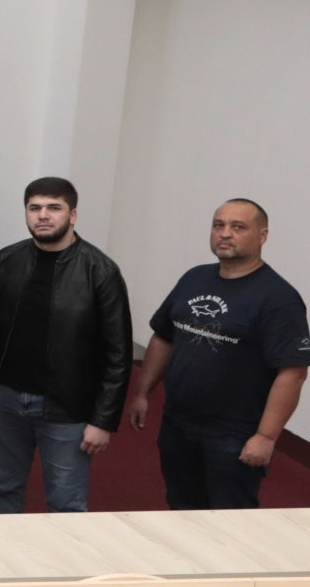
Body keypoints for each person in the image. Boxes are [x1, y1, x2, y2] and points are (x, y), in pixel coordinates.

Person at [0, 178, 130, 513]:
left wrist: (103, 420)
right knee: (2, 488)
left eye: (54, 208)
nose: (43, 215)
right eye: (34, 208)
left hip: (67, 406)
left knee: (66, 502)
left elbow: (118, 354)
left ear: (73, 215)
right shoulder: (8, 260)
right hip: (6, 400)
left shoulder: (100, 271)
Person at [130, 199, 310, 510]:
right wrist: (142, 393)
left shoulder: (278, 298)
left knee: (230, 519)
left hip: (233, 434)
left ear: (262, 236)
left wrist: (266, 437)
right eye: (218, 225)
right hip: (177, 422)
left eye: (238, 227)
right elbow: (164, 337)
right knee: (182, 508)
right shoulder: (194, 278)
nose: (225, 233)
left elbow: (293, 372)